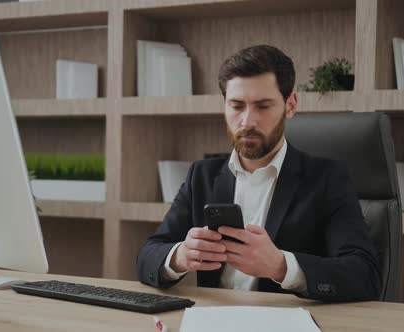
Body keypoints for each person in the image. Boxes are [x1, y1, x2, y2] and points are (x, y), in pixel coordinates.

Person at [137, 45, 381, 302]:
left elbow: (365, 276)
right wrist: (180, 256)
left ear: (290, 105)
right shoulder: (202, 175)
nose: (247, 122)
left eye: (262, 106)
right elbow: (147, 255)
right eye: (237, 106)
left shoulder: (327, 178)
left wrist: (281, 266)